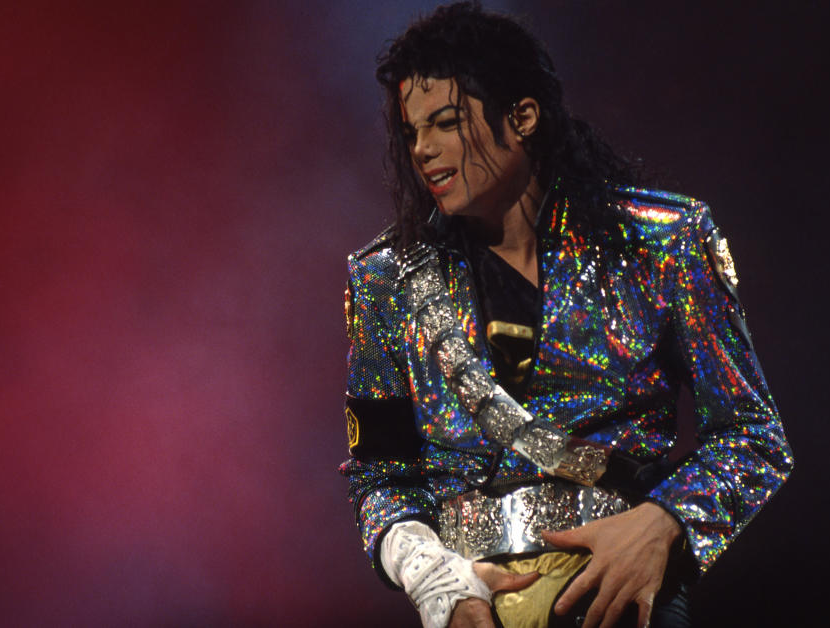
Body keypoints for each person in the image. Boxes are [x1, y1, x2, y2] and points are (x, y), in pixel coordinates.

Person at [339, 3, 792, 627]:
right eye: (410, 131)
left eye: (444, 122)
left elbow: (751, 435)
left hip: (621, 596)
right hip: (472, 606)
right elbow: (379, 476)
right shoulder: (386, 280)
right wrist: (433, 579)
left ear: (522, 116)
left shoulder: (662, 242)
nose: (421, 149)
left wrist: (664, 523)